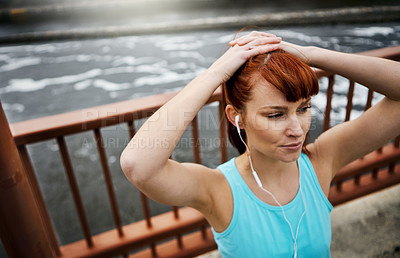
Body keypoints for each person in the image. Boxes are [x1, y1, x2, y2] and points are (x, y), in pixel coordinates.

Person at [120, 31, 400, 257]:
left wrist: (310, 54)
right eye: (276, 114)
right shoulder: (218, 190)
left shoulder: (320, 162)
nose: (297, 129)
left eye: (303, 109)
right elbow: (138, 166)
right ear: (236, 117)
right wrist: (214, 75)